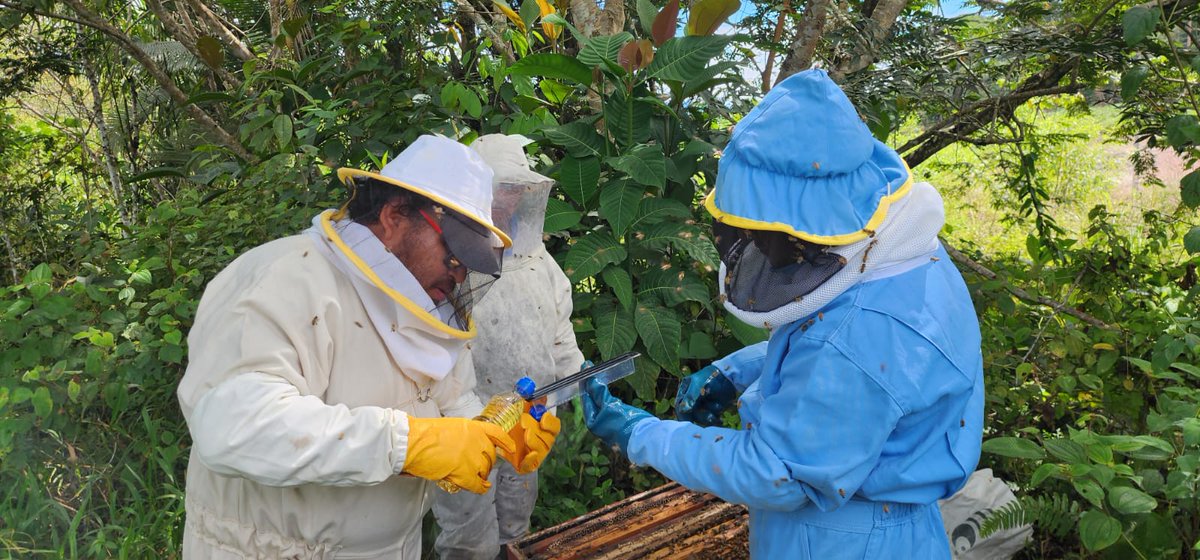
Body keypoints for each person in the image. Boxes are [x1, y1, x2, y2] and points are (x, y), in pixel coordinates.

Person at [582, 69, 985, 559]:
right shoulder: (909, 255)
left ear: (805, 226)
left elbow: (776, 471)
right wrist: (738, 370)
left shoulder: (855, 339)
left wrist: (641, 434)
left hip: (841, 540)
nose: (752, 242)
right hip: (891, 527)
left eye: (759, 228)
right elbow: (867, 355)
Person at [177, 134, 560, 558]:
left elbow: (448, 400)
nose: (457, 277)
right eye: (453, 257)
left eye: (467, 267)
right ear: (396, 216)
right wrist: (404, 444)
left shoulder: (426, 300)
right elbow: (234, 425)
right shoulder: (285, 277)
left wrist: (493, 429)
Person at [432, 134, 585, 559]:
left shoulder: (539, 260)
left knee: (515, 525)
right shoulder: (445, 259)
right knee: (467, 535)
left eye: (517, 190)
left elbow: (559, 331)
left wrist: (581, 381)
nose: (509, 199)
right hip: (465, 422)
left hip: (529, 416)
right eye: (502, 188)